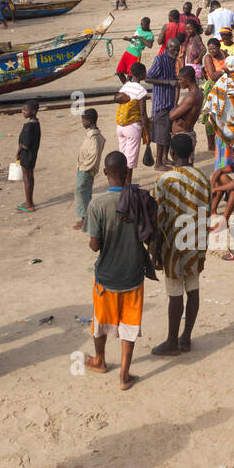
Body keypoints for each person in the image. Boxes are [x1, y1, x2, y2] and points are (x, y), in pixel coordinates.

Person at [85, 151, 147, 389]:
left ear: (105, 173)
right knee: (129, 326)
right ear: (127, 172)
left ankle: (100, 360)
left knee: (100, 321)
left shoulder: (97, 204)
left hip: (106, 276)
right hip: (133, 273)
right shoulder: (139, 201)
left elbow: (94, 245)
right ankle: (124, 375)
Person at [152, 133, 211, 357]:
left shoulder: (164, 181)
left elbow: (158, 219)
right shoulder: (203, 178)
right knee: (193, 289)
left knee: (175, 292)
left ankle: (171, 342)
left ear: (171, 154)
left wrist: (155, 252)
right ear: (191, 153)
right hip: (196, 242)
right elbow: (207, 210)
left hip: (173, 245)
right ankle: (185, 337)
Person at [147, 37, 179, 170]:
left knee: (167, 132)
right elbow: (148, 78)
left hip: (170, 103)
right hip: (161, 103)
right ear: (167, 48)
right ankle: (158, 162)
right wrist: (168, 82)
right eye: (173, 49)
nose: (176, 51)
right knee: (161, 133)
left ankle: (165, 158)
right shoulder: (159, 59)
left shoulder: (173, 61)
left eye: (177, 49)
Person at [113, 62, 149, 183]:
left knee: (122, 156)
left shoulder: (125, 86)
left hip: (120, 127)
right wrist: (147, 132)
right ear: (142, 74)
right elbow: (143, 114)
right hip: (133, 127)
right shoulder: (141, 91)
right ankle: (128, 185)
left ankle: (121, 183)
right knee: (130, 159)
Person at [72, 108, 106, 231]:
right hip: (84, 168)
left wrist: (84, 168)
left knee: (80, 191)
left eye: (83, 120)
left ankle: (84, 218)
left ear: (90, 121)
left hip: (86, 169)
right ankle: (86, 216)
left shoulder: (94, 138)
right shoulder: (93, 135)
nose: (82, 122)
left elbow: (94, 155)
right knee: (85, 192)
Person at [16, 99, 41, 211]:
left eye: (26, 110)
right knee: (30, 177)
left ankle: (29, 204)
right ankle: (29, 201)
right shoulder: (36, 123)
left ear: (34, 111)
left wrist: (17, 153)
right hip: (33, 155)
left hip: (26, 155)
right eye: (23, 109)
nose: (23, 112)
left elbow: (24, 144)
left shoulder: (29, 126)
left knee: (27, 178)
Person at [169, 65, 204, 145]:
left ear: (188, 79)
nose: (179, 82)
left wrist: (175, 106)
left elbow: (172, 116)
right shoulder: (197, 93)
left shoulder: (191, 97)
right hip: (187, 134)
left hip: (183, 137)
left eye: (180, 79)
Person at [115, 16, 153, 82]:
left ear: (148, 25)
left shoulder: (149, 34)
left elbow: (150, 45)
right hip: (128, 52)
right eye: (141, 24)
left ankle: (129, 90)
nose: (141, 26)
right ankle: (127, 89)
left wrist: (140, 38)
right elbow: (135, 42)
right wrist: (129, 39)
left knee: (130, 76)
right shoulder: (139, 28)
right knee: (119, 72)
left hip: (135, 56)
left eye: (143, 25)